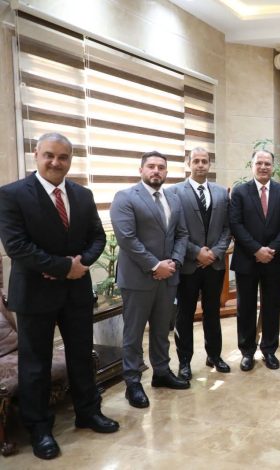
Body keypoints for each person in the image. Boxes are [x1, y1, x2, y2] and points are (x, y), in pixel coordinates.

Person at [0, 133, 118, 460]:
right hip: (35, 294)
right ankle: (39, 428)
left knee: (81, 355)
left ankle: (88, 412)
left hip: (76, 292)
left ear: (70, 160)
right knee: (35, 364)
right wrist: (64, 267)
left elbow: (97, 237)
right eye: (49, 155)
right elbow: (17, 246)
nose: (56, 162)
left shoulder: (82, 194)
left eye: (63, 157)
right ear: (36, 154)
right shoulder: (11, 195)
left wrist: (80, 265)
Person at [111, 151, 190, 409]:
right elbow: (127, 239)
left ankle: (162, 372)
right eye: (151, 166)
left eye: (161, 167)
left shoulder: (173, 198)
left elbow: (182, 234)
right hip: (138, 279)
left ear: (166, 172)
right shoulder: (125, 197)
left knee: (161, 330)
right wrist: (156, 265)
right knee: (133, 334)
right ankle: (133, 382)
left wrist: (174, 262)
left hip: (168, 278)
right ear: (141, 170)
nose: (156, 171)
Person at [166, 147, 232, 380]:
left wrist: (214, 253)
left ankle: (214, 355)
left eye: (204, 161)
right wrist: (196, 252)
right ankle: (184, 362)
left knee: (212, 312)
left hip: (214, 265)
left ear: (209, 164)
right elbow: (173, 230)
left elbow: (227, 228)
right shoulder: (173, 192)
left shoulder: (221, 192)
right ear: (188, 163)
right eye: (196, 161)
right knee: (184, 315)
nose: (201, 165)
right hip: (188, 265)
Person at [229, 149, 280, 371]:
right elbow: (235, 224)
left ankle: (269, 350)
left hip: (274, 260)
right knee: (246, 307)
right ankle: (247, 352)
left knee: (271, 306)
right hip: (247, 260)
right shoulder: (240, 192)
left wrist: (272, 249)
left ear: (273, 167)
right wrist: (257, 250)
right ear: (252, 166)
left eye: (267, 163)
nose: (264, 167)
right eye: (259, 163)